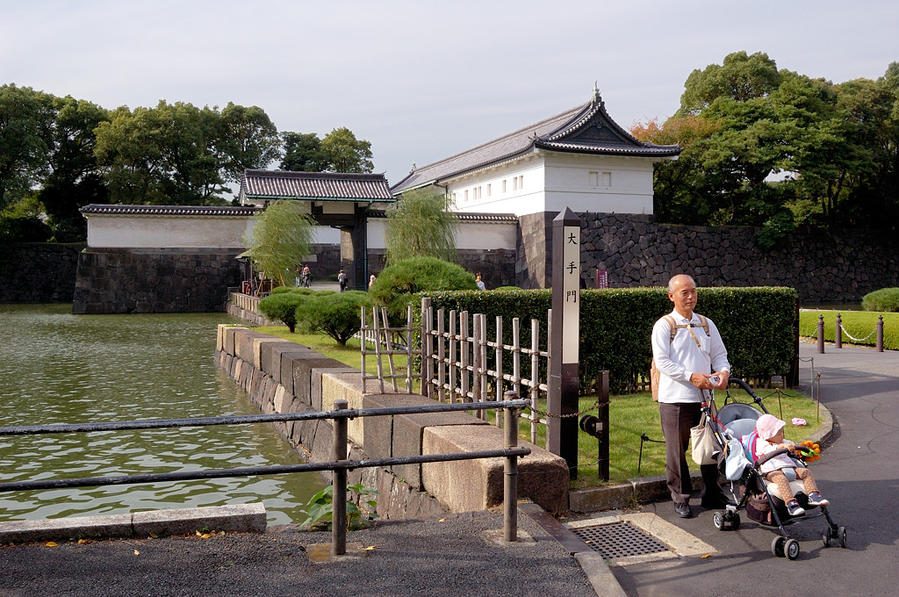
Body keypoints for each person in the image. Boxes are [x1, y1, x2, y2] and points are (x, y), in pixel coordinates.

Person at [651, 274, 730, 518]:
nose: (690, 296)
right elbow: (663, 362)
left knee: (711, 446)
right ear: (671, 296)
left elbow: (719, 354)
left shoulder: (706, 324)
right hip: (674, 398)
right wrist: (690, 376)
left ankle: (712, 493)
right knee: (677, 449)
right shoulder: (664, 325)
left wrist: (723, 372)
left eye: (693, 291)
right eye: (684, 292)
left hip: (704, 397)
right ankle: (681, 497)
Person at [754, 414, 829, 516]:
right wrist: (781, 446)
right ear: (768, 435)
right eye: (779, 434)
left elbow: (791, 445)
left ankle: (813, 495)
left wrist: (798, 449)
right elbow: (767, 450)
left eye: (782, 433)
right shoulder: (762, 443)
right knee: (781, 479)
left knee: (806, 472)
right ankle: (791, 503)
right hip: (771, 471)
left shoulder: (784, 441)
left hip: (789, 467)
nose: (782, 436)